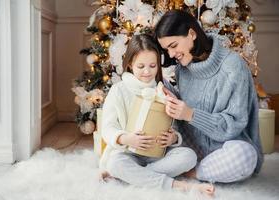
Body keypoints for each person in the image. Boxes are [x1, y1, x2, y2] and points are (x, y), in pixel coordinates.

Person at [154, 10, 263, 184]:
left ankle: (191, 172)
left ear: (191, 33)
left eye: (173, 45)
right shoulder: (182, 69)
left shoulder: (233, 67)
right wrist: (169, 96)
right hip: (190, 148)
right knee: (157, 85)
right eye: (167, 49)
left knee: (245, 156)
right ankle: (169, 167)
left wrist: (191, 114)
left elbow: (233, 125)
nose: (171, 55)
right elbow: (185, 113)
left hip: (225, 149)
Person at [99, 34, 214, 195]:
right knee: (115, 163)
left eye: (153, 66)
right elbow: (108, 127)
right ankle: (179, 186)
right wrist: (126, 138)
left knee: (188, 156)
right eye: (141, 67)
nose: (147, 72)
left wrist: (173, 138)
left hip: (158, 155)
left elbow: (174, 124)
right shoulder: (119, 90)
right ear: (130, 64)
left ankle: (131, 176)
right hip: (129, 153)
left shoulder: (163, 89)